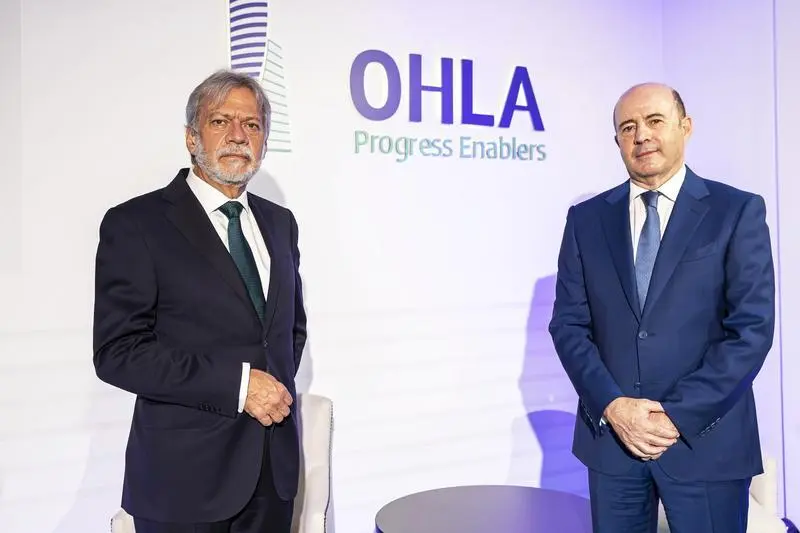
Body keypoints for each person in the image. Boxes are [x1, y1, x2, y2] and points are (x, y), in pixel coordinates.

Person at [548, 82, 775, 532]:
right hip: (613, 445)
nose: (641, 135)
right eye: (627, 127)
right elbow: (569, 325)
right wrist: (614, 406)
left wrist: (675, 416)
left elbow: (751, 330)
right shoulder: (586, 220)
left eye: (655, 121)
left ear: (685, 127)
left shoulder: (736, 211)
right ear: (617, 140)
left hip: (705, 442)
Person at [93, 69, 307, 533]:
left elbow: (289, 332)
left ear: (264, 141)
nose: (238, 136)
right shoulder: (137, 224)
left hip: (272, 475)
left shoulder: (280, 223)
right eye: (220, 121)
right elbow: (118, 353)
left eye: (252, 125)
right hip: (182, 481)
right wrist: (239, 386)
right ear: (192, 137)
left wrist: (271, 394)